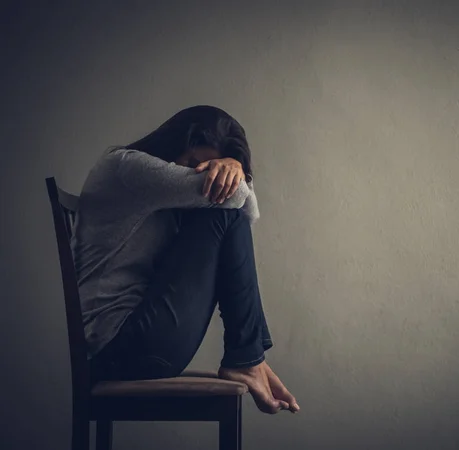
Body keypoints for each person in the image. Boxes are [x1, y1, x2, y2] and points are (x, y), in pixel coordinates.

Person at [71, 105, 299, 414]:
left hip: (134, 345)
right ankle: (248, 358)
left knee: (222, 214)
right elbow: (239, 203)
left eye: (209, 167)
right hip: (118, 349)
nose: (198, 173)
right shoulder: (128, 167)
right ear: (174, 143)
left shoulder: (159, 196)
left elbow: (247, 209)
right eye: (193, 163)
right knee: (225, 215)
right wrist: (234, 170)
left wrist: (234, 166)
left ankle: (249, 357)